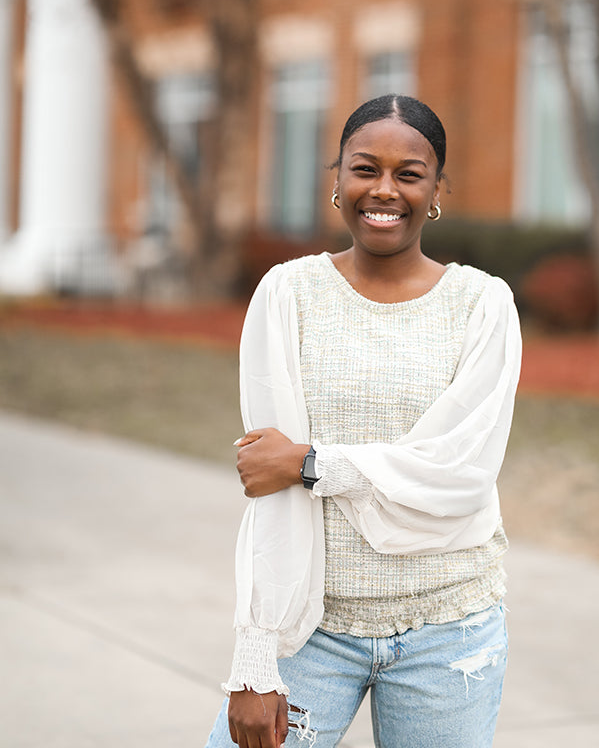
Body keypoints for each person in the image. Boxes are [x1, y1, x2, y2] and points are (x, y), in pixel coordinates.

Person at [204, 94, 522, 748]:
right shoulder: (286, 295)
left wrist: (311, 464)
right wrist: (255, 659)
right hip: (311, 633)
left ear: (436, 188)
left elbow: (460, 478)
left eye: (408, 173)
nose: (384, 189)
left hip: (450, 632)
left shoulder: (483, 306)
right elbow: (271, 494)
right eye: (363, 169)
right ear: (336, 181)